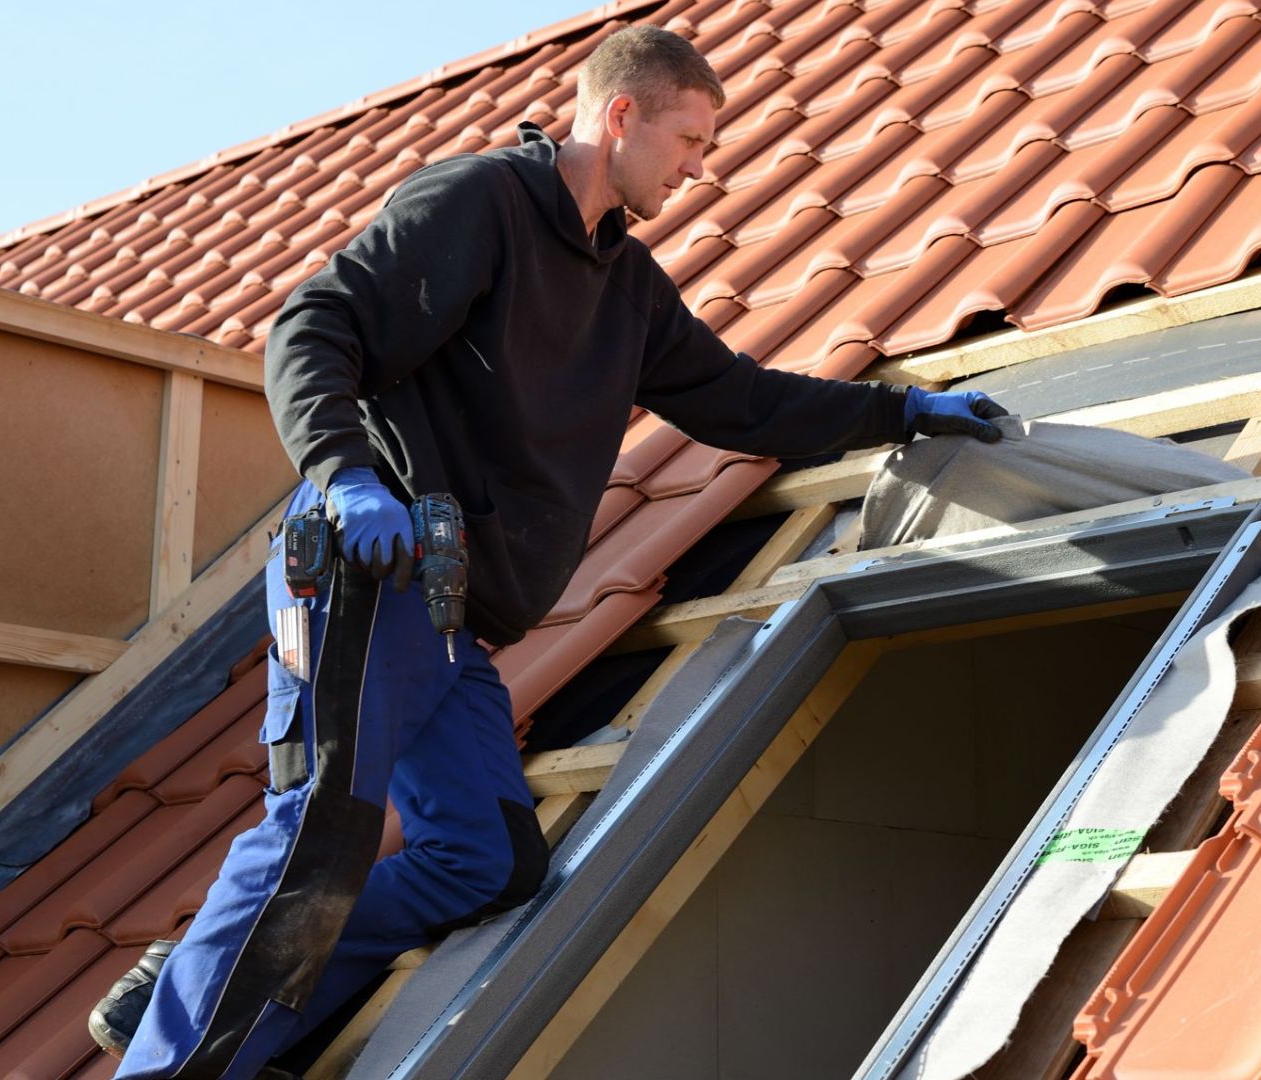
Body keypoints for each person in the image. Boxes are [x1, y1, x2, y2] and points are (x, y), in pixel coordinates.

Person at [87, 24, 1007, 1079]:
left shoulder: (625, 288)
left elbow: (742, 400)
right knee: (320, 834)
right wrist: (344, 475)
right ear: (620, 115)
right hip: (370, 569)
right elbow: (313, 326)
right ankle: (175, 1059)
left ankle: (213, 995)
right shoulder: (476, 205)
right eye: (689, 140)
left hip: (451, 615)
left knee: (484, 859)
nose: (700, 167)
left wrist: (905, 410)